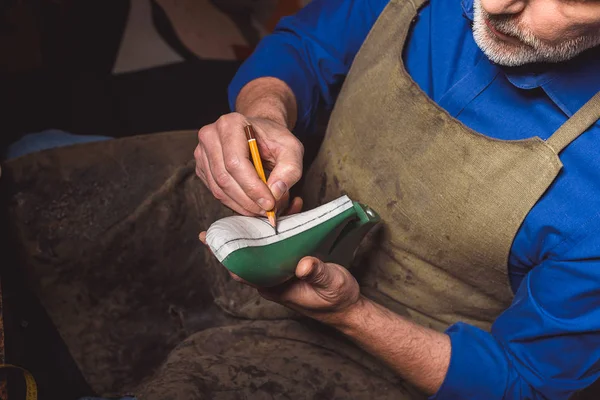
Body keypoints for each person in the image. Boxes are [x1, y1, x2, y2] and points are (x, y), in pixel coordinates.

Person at [184, 0, 600, 398]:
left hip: (383, 358)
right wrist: (264, 115)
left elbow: (522, 384)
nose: (493, 5)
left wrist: (351, 316)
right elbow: (308, 46)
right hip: (263, 211)